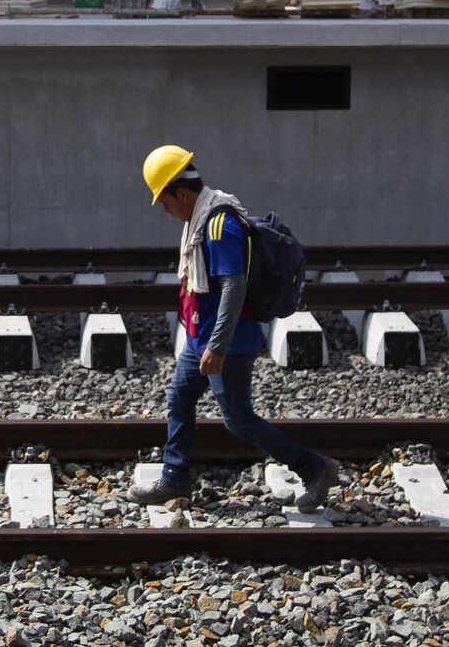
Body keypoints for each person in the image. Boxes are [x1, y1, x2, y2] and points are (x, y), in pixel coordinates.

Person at [125, 144, 340, 510]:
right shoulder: (201, 218)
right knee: (179, 397)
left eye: (165, 201)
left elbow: (233, 286)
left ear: (181, 193)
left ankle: (315, 467)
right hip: (200, 337)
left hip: (228, 342)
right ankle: (175, 478)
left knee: (239, 420)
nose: (165, 209)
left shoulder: (220, 226)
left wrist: (218, 347)